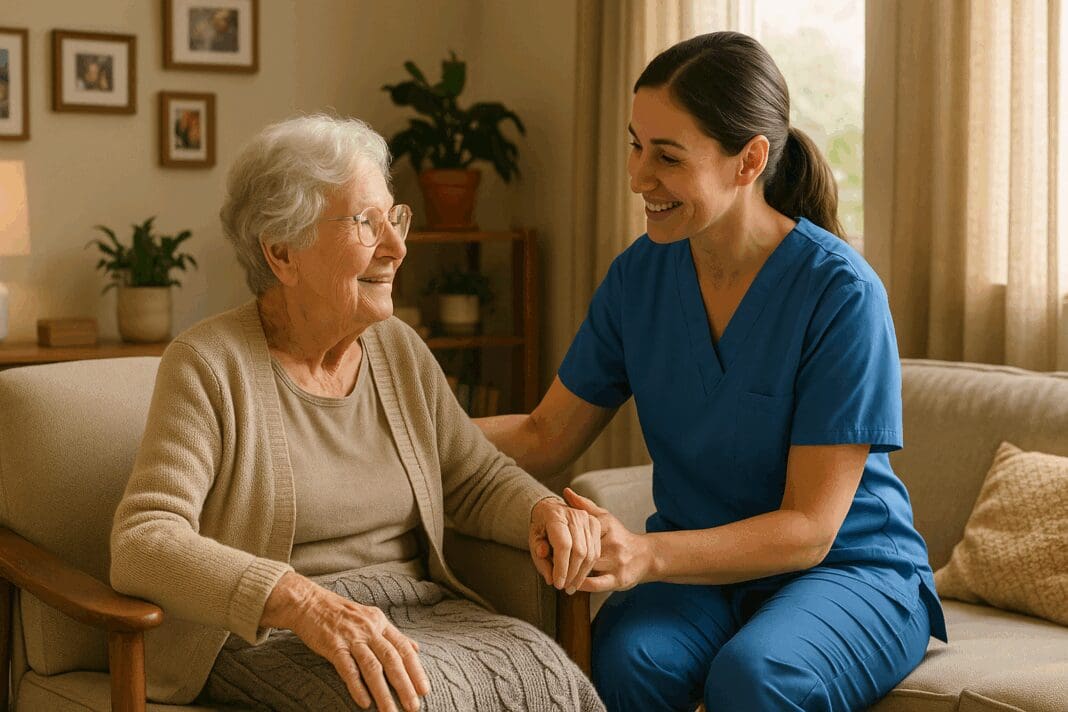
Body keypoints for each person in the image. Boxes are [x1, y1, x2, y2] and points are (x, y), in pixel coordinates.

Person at [477, 32, 948, 712]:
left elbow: (810, 528)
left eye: (667, 156)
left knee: (758, 677)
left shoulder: (839, 293)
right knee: (626, 661)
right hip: (705, 574)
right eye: (636, 145)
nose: (638, 177)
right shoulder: (637, 278)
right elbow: (543, 434)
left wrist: (645, 555)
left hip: (847, 570)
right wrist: (398, 432)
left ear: (749, 160)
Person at [110, 115, 605, 712]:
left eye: (394, 218)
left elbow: (471, 477)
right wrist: (300, 601)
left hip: (423, 612)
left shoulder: (398, 347)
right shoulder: (208, 366)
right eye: (366, 223)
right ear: (282, 253)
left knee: (552, 677)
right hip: (273, 635)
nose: (397, 247)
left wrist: (541, 508)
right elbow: (143, 539)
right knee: (403, 701)